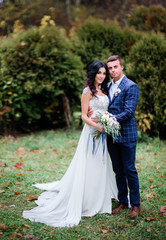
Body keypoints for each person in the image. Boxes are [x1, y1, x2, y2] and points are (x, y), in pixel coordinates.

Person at [22, 60, 118, 228]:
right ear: (93, 73)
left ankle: (99, 196)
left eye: (104, 73)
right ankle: (87, 199)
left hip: (103, 134)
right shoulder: (87, 92)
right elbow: (84, 116)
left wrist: (108, 122)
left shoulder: (104, 90)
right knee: (89, 164)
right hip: (91, 133)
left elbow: (104, 110)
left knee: (101, 164)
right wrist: (97, 126)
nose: (102, 76)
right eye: (99, 73)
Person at [106, 55, 140, 218]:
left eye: (115, 67)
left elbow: (128, 112)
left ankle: (135, 204)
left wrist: (107, 120)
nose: (112, 70)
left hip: (127, 135)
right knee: (117, 170)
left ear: (122, 67)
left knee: (129, 170)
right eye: (110, 68)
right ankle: (122, 201)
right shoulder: (107, 86)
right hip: (111, 136)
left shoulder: (131, 86)